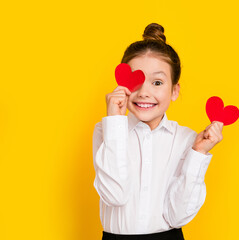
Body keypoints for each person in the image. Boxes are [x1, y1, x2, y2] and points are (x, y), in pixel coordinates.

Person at [92, 23, 224, 240]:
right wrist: (114, 122)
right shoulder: (107, 129)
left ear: (174, 91)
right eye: (136, 81)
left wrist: (198, 154)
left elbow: (178, 217)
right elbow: (114, 195)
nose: (144, 92)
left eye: (157, 82)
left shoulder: (187, 139)